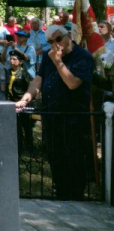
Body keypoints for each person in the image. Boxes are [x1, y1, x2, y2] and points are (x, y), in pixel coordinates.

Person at [15, 25, 93, 200]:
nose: (56, 45)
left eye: (59, 39)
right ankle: (60, 193)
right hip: (52, 116)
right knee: (55, 157)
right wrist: (26, 98)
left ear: (68, 36)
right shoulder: (49, 58)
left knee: (73, 160)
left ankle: (74, 197)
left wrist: (58, 62)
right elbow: (38, 80)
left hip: (73, 119)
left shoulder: (83, 56)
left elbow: (72, 83)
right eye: (51, 42)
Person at [7, 49, 33, 151]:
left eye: (14, 59)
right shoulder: (8, 72)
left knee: (26, 125)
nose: (12, 61)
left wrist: (24, 100)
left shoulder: (24, 74)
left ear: (20, 62)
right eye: (11, 59)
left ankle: (29, 146)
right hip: (11, 101)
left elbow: (29, 88)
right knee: (16, 125)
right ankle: (19, 145)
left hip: (22, 102)